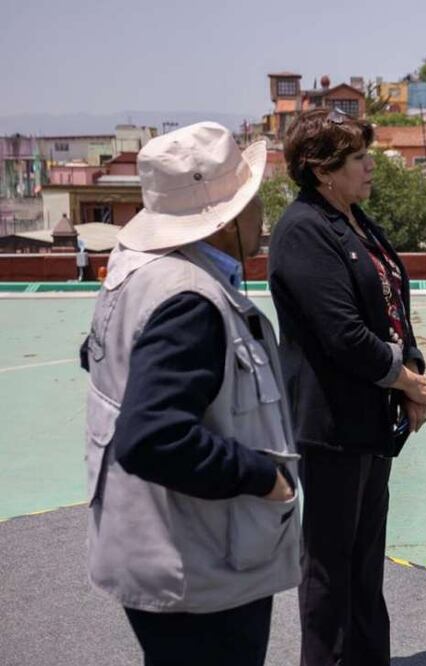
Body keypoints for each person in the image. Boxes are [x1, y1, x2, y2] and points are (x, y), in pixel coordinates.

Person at [80, 122, 299, 666]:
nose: (260, 213)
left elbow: (100, 357)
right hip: (200, 570)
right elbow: (153, 437)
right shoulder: (190, 300)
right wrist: (263, 477)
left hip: (158, 549)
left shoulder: (137, 270)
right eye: (250, 201)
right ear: (224, 222)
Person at [268, 107, 426, 666]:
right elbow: (343, 333)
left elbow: (391, 303)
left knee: (364, 560)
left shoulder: (354, 218)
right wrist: (408, 382)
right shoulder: (303, 229)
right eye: (359, 159)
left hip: (368, 420)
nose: (371, 167)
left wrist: (412, 368)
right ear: (322, 171)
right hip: (331, 425)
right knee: (329, 567)